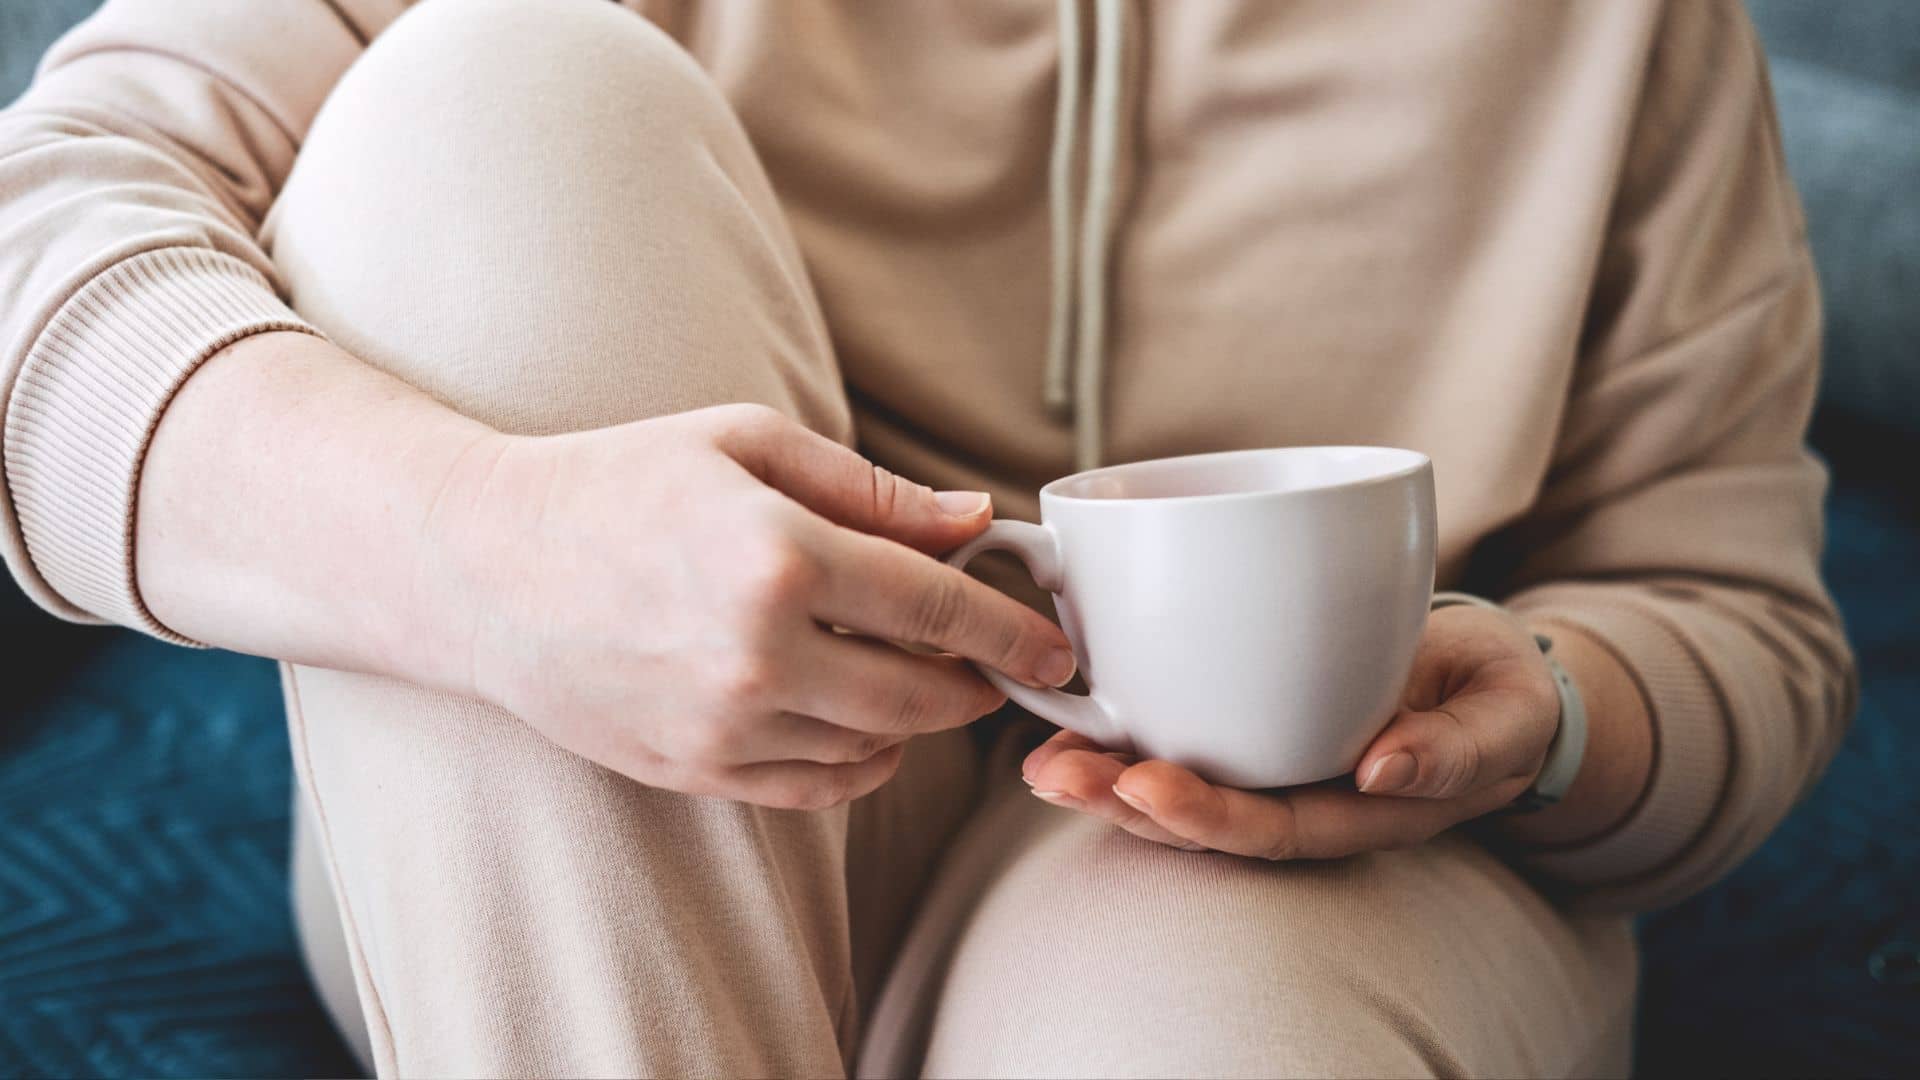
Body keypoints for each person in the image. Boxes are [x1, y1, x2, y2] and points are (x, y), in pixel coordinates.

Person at [0, 0, 1855, 1076]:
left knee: (1203, 1034)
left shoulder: (1629, 36)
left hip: (1296, 868)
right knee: (486, 97)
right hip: (595, 838)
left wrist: (1549, 698)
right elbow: (35, 249)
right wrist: (479, 550)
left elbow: (1737, 616)